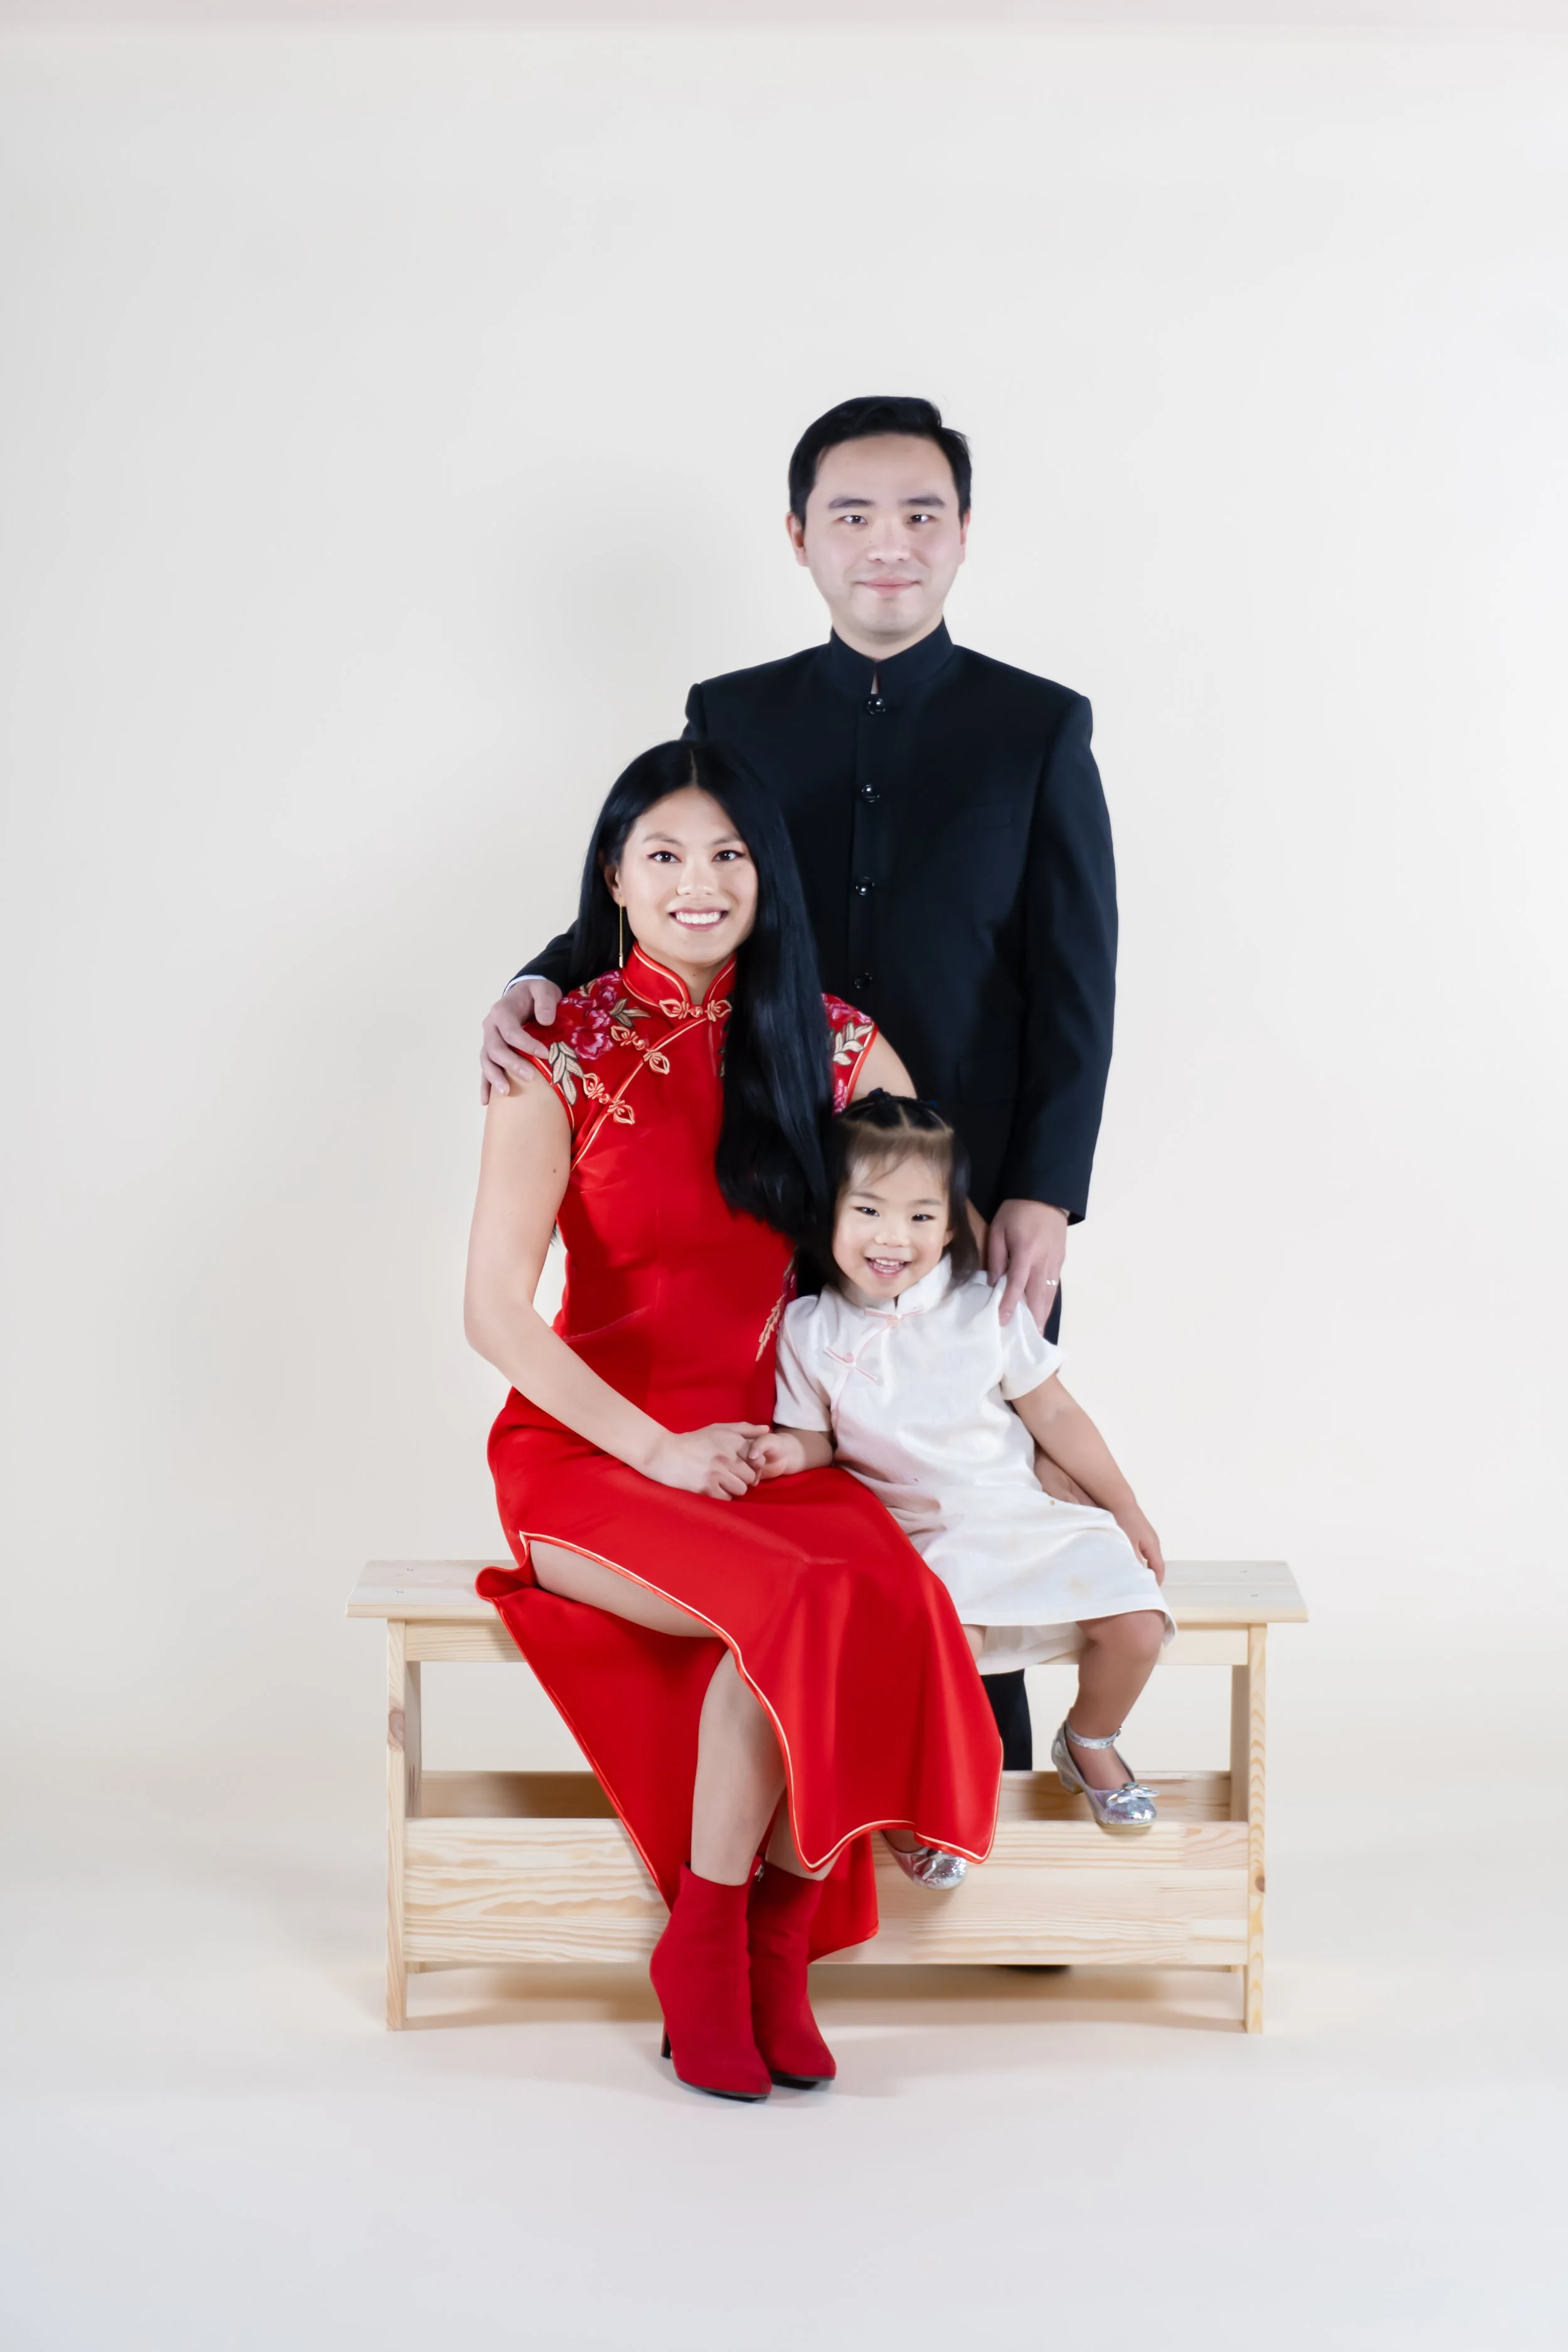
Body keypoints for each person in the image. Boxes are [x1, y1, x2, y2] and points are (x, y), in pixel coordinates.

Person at [480, 395, 1120, 1771]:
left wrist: (1040, 1194)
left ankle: (977, 1803)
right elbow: (669, 879)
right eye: (850, 515)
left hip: (946, 1198)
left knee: (968, 1477)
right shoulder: (737, 713)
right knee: (825, 1487)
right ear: (797, 538)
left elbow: (1077, 983)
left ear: (960, 536)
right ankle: (808, 1797)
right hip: (770, 1170)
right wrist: (535, 978)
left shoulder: (1035, 727)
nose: (885, 544)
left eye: (919, 514)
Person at [464, 739, 1002, 2103]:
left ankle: (776, 1947)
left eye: (728, 856)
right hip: (590, 1452)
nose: (697, 884)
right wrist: (653, 1449)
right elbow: (494, 1314)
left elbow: (912, 1256)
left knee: (865, 1583)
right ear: (613, 876)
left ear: (766, 876)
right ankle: (704, 1945)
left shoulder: (831, 1043)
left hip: (772, 1446)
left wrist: (869, 1430)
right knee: (791, 1602)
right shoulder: (555, 1051)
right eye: (662, 855)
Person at [751, 1092, 1170, 1884]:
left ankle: (1089, 1741)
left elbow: (1054, 1412)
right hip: (922, 1537)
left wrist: (1123, 1507)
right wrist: (785, 1456)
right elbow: (815, 1438)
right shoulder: (810, 1329)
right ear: (827, 1213)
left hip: (1022, 1515)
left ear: (950, 1227)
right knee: (944, 1664)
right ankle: (915, 1801)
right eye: (868, 1209)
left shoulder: (986, 1311)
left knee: (1138, 1624)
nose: (891, 1237)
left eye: (919, 1216)